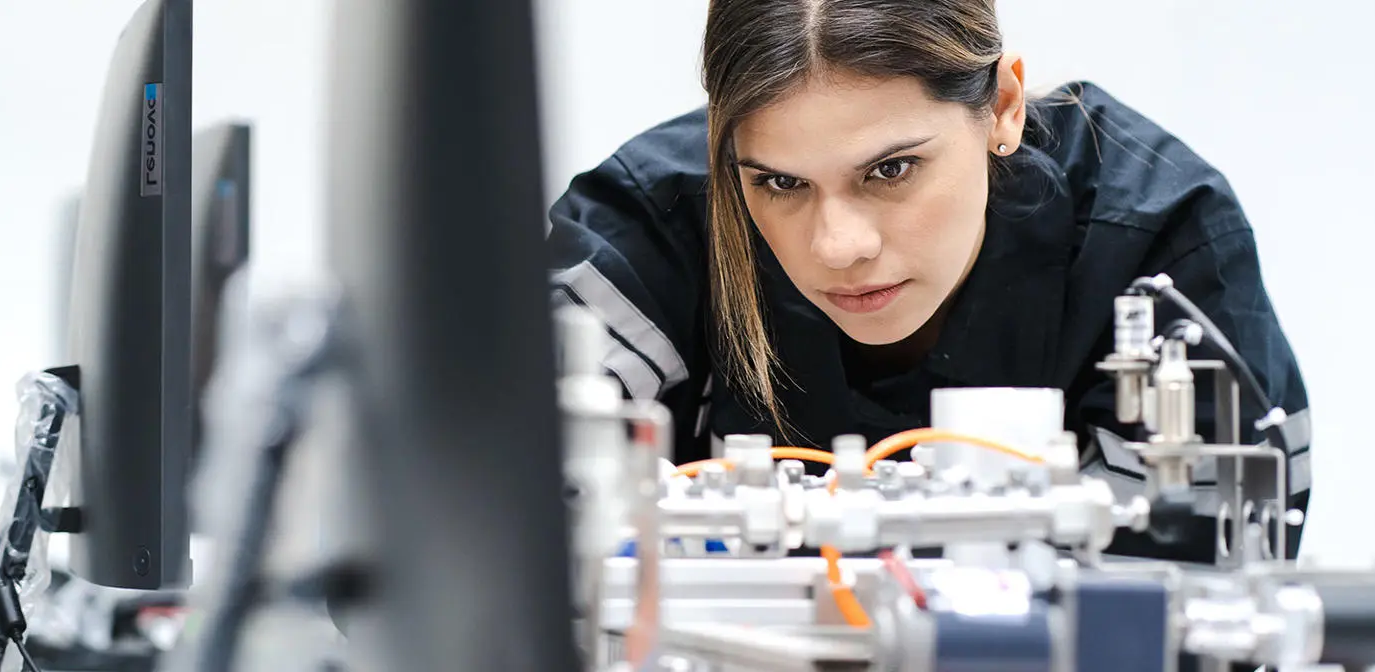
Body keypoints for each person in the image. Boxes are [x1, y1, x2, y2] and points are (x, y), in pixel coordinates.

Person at [546, 0, 1311, 562]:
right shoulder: (649, 229)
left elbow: (1208, 590)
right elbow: (492, 526)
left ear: (1004, 107)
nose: (838, 246)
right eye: (779, 184)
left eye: (891, 170)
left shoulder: (1156, 242)